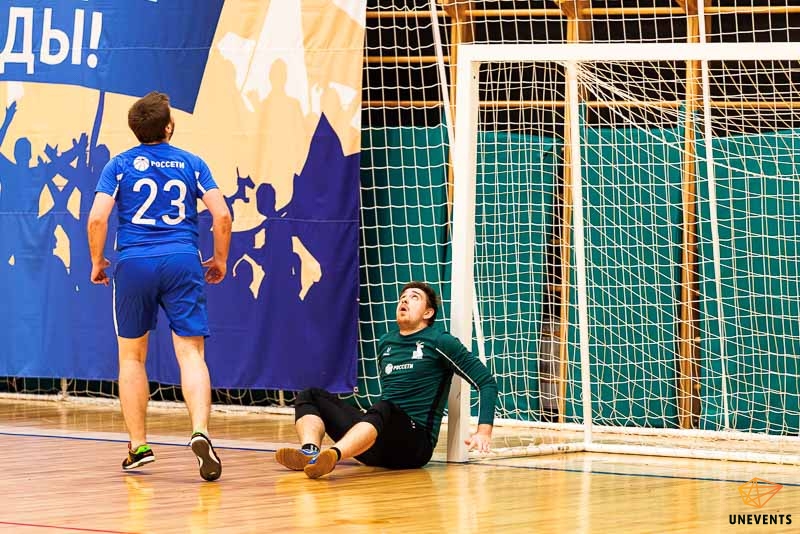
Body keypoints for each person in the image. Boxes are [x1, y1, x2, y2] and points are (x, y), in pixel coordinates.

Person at [87, 91, 232, 481]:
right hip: (182, 259)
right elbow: (222, 215)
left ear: (135, 129)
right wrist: (219, 259)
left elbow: (97, 219)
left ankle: (139, 447)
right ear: (169, 126)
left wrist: (98, 260)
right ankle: (200, 431)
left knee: (132, 358)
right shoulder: (192, 162)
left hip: (134, 262)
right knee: (191, 354)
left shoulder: (119, 165)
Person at [275, 281, 498, 479]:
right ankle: (310, 452)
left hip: (414, 447)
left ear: (428, 312)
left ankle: (332, 456)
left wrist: (483, 431)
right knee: (310, 395)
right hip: (378, 443)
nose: (404, 301)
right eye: (402, 297)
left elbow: (486, 382)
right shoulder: (386, 342)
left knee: (385, 407)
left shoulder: (440, 341)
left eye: (414, 297)